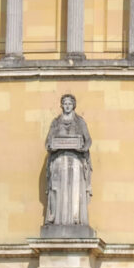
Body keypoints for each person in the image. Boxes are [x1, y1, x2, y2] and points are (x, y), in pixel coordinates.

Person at [43, 94, 93, 228]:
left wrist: (82, 148)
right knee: (57, 189)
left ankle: (75, 218)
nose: (67, 106)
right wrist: (52, 146)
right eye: (65, 103)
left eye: (70, 104)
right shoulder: (56, 122)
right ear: (61, 105)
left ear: (73, 105)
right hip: (59, 161)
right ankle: (56, 219)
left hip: (75, 161)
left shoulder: (79, 122)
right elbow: (48, 142)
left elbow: (88, 140)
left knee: (75, 190)